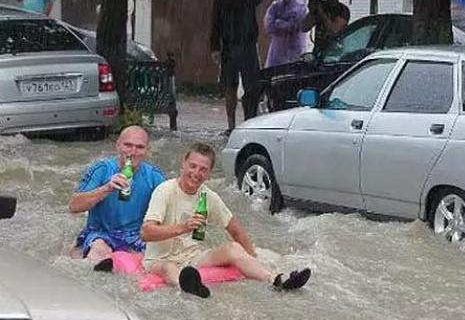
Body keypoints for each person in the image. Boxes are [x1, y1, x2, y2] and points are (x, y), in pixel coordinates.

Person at [140, 142, 311, 298]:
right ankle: (187, 288)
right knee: (169, 267)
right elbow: (146, 232)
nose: (196, 173)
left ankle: (276, 280)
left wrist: (251, 258)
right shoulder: (165, 191)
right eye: (192, 166)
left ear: (209, 173)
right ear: (183, 164)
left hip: (193, 257)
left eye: (203, 169)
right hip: (160, 260)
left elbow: (235, 229)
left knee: (233, 248)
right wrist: (183, 227)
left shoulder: (208, 196)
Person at [68, 126, 166, 264]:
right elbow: (73, 206)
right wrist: (107, 188)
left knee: (148, 261)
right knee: (98, 250)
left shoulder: (155, 177)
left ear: (147, 150)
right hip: (100, 233)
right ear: (118, 145)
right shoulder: (101, 169)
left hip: (135, 236)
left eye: (139, 147)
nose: (133, 152)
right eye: (128, 145)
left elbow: (169, 214)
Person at [210, 0, 264, 132]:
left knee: (251, 87)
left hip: (248, 46)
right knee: (229, 88)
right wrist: (214, 47)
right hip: (229, 46)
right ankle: (231, 126)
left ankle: (250, 123)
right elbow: (215, 23)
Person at [263, 0, 307, 67]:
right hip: (278, 48)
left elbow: (299, 26)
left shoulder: (300, 8)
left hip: (294, 47)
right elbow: (268, 26)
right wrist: (282, 24)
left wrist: (280, 23)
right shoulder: (275, 7)